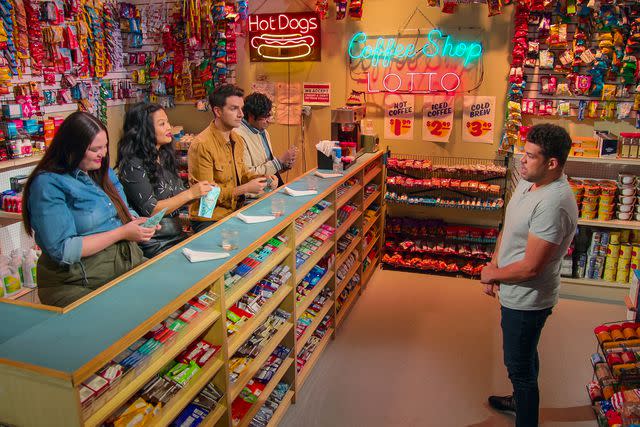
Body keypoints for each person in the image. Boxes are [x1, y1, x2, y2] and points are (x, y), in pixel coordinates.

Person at [480, 124, 578, 427]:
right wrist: (495, 265)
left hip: (528, 300)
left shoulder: (554, 204)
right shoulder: (529, 182)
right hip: (514, 290)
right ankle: (518, 399)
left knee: (519, 365)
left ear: (553, 164)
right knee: (525, 352)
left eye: (531, 156)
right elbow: (509, 228)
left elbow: (530, 267)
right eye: (524, 153)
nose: (522, 160)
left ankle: (525, 413)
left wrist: (492, 274)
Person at [22, 112, 158, 307]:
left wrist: (138, 223)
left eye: (104, 146)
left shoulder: (102, 170)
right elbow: (64, 250)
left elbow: (123, 211)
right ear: (72, 148)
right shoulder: (47, 184)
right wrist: (121, 233)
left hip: (123, 264)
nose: (102, 154)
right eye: (95, 149)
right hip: (77, 282)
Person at [116, 102, 213, 258]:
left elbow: (177, 198)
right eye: (162, 124)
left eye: (167, 122)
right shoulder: (132, 164)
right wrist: (189, 194)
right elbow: (152, 209)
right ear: (144, 129)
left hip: (176, 233)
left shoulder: (163, 156)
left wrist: (200, 192)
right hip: (154, 243)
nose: (169, 127)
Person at [188, 84, 277, 233]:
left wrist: (263, 178)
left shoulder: (236, 139)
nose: (241, 114)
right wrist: (246, 188)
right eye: (234, 108)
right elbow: (207, 197)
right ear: (218, 111)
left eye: (241, 108)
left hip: (235, 211)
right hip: (209, 219)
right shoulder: (202, 145)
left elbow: (242, 175)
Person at [235, 92, 297, 192]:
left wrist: (285, 165)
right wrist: (279, 161)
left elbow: (268, 168)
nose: (268, 120)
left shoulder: (263, 132)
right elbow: (247, 174)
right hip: (254, 195)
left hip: (269, 189)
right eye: (264, 117)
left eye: (269, 115)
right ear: (251, 116)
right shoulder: (238, 135)